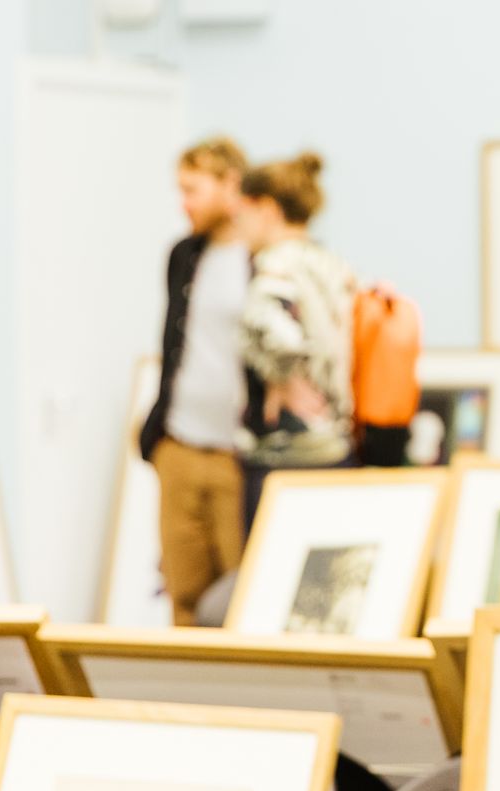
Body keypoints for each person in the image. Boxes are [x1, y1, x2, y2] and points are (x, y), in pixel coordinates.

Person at [138, 137, 251, 627]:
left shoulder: (265, 259)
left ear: (231, 185)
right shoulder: (183, 255)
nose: (184, 203)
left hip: (237, 457)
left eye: (193, 190)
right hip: (180, 446)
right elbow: (174, 344)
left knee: (240, 598)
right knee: (183, 594)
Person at [232, 152, 358, 531]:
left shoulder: (275, 266)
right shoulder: (331, 263)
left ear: (266, 210)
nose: (239, 225)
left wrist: (279, 377)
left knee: (269, 577)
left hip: (286, 452)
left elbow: (281, 338)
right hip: (335, 446)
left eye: (243, 213)